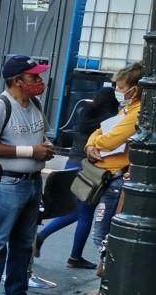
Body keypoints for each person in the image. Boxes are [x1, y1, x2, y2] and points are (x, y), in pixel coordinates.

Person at [0, 55, 55, 295]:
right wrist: (31, 151)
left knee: (23, 243)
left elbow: (40, 135)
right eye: (34, 76)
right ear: (17, 80)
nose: (39, 80)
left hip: (32, 182)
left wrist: (45, 147)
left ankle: (16, 294)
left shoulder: (35, 103)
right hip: (6, 183)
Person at [78, 61, 142, 295]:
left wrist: (95, 143)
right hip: (108, 174)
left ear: (135, 89)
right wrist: (91, 144)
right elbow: (99, 132)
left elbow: (110, 139)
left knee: (104, 236)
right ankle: (104, 289)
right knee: (103, 235)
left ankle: (107, 292)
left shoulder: (137, 113)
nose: (117, 90)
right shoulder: (128, 110)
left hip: (115, 177)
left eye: (121, 86)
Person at [35, 84, 119, 267]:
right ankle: (75, 256)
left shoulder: (86, 113)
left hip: (72, 165)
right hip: (91, 170)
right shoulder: (111, 121)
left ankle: (42, 236)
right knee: (85, 214)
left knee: (76, 211)